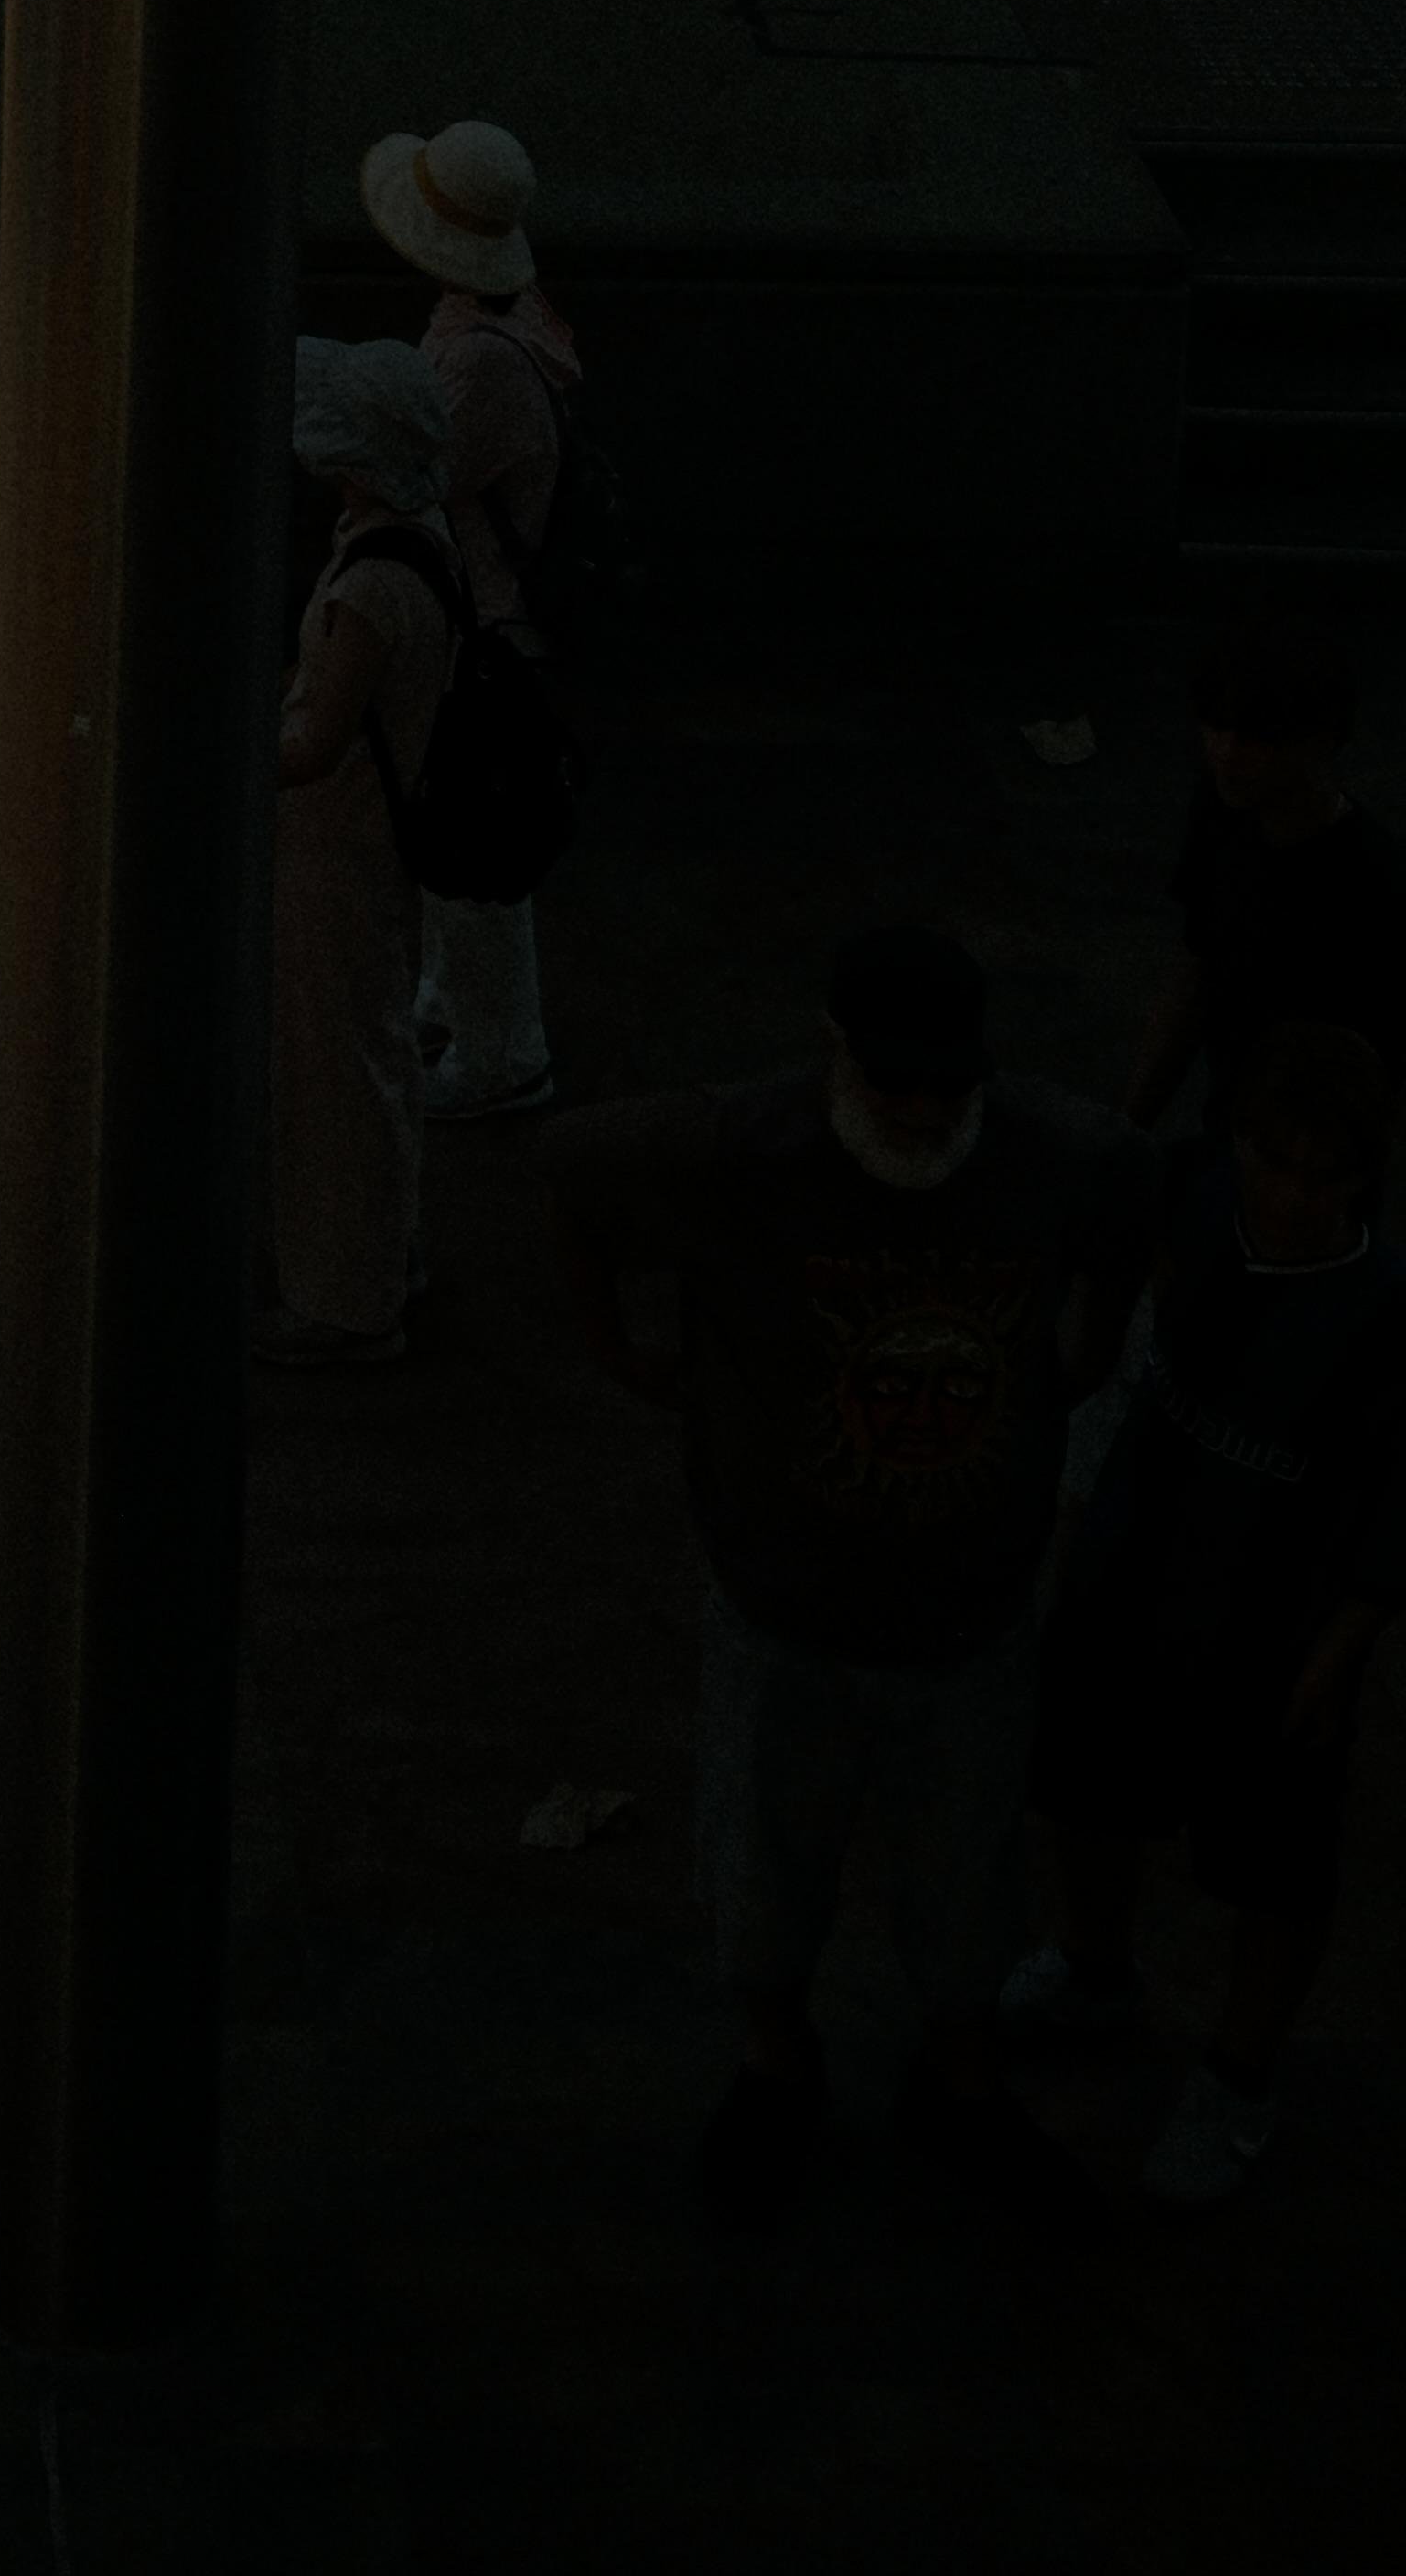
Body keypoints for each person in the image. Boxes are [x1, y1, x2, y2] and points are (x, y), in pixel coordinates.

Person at [544, 922, 1156, 2231]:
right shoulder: (741, 1151)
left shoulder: (1051, 1152)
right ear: (838, 1059)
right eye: (898, 1087)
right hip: (787, 1607)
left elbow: (1130, 1217)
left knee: (966, 1885)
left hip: (969, 1614)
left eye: (949, 1088)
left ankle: (955, 2079)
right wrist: (627, 1357)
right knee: (768, 1882)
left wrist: (1089, 1350)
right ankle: (780, 2065)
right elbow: (573, 1175)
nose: (927, 1115)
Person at [1015, 1016, 1406, 2203]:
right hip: (1130, 1574)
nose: (1286, 1192)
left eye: (1315, 1170)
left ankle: (1238, 2083)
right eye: (1267, 1158)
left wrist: (1336, 1655)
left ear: (1361, 1176)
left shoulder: (1386, 1314)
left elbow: (1398, 1517)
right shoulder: (1191, 1203)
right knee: (1084, 1783)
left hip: (1272, 1635)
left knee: (1274, 1868)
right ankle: (1095, 1974)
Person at [361, 113, 577, 1123]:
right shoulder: (519, 321)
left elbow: (415, 472)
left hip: (476, 636)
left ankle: (502, 1055)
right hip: (498, 623)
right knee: (461, 842)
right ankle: (459, 1006)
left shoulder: (474, 361)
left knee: (468, 851)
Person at [265, 336, 463, 1370]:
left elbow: (315, 741)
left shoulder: (368, 586)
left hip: (334, 845)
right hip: (381, 837)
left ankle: (342, 1301)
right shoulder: (425, 539)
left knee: (330, 1066)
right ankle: (383, 1257)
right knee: (372, 1048)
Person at [1126, 597, 1406, 1134]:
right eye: (1218, 725)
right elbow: (1199, 970)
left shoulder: (1375, 886)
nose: (1227, 752)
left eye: (1257, 734)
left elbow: (1373, 1077)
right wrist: (1128, 1127)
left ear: (1321, 741)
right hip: (1234, 1126)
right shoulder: (1226, 810)